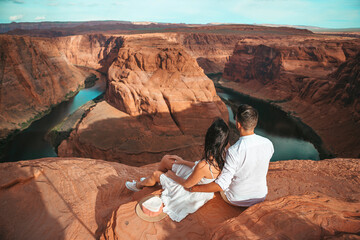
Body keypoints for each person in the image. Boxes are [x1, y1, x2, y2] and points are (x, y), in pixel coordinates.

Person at [125, 118, 230, 222]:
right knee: (167, 159)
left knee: (156, 174)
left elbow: (187, 184)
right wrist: (183, 161)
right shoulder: (224, 151)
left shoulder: (204, 165)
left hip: (189, 189)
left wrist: (171, 175)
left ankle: (139, 185)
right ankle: (157, 182)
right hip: (197, 176)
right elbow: (199, 168)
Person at [187, 104, 274, 207]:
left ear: (238, 124)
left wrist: (194, 188)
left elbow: (221, 184)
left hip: (236, 199)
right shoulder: (268, 143)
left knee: (214, 173)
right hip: (260, 196)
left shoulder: (234, 151)